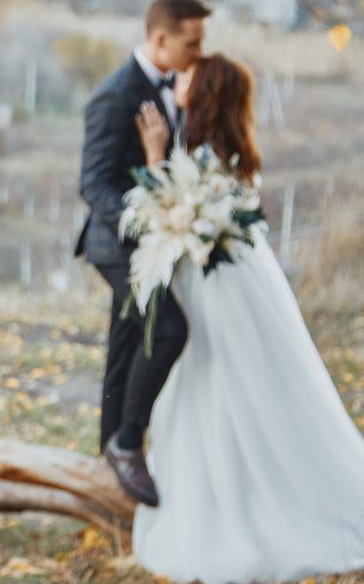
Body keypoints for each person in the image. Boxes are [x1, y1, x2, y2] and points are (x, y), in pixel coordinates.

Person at [130, 54, 364, 582]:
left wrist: (153, 155)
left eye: (190, 74)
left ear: (206, 89)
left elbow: (176, 207)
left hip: (221, 290)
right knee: (218, 385)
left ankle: (231, 508)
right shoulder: (225, 148)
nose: (179, 79)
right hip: (231, 282)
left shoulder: (208, 154)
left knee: (219, 383)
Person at [75, 0, 209, 506]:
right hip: (118, 246)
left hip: (154, 243)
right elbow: (94, 184)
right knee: (168, 329)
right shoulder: (116, 94)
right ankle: (128, 443)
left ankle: (108, 468)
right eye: (191, 42)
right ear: (161, 38)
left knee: (126, 343)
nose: (197, 52)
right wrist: (148, 222)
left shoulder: (175, 85)